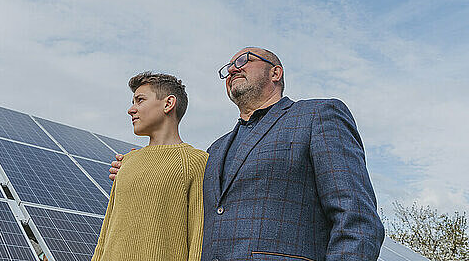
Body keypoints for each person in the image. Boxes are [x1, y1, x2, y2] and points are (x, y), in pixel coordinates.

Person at [110, 47, 385, 261]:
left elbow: (357, 219)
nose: (232, 70)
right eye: (227, 68)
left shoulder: (317, 115)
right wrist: (139, 164)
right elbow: (176, 195)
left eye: (243, 61)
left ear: (275, 73)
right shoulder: (215, 150)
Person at [92, 72, 208, 261]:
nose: (131, 109)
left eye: (140, 100)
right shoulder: (127, 162)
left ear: (168, 104)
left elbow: (198, 238)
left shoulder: (195, 162)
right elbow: (106, 232)